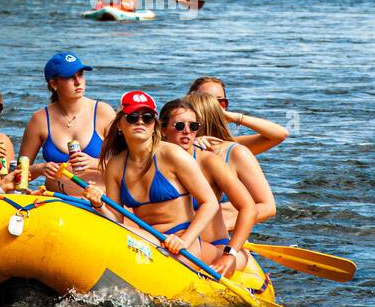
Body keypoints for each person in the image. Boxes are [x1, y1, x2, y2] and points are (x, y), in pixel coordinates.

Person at [78, 91, 222, 265]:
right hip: (148, 241)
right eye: (132, 117)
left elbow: (210, 202)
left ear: (154, 125)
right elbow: (116, 219)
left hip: (183, 244)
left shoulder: (172, 154)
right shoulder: (115, 166)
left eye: (147, 118)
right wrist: (98, 204)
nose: (140, 122)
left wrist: (184, 240)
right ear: (119, 125)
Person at [160, 98, 256, 277]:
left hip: (214, 248)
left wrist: (230, 255)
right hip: (174, 242)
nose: (187, 132)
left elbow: (248, 207)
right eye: (179, 126)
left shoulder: (209, 161)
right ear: (163, 129)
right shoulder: (155, 162)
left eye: (193, 126)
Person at [19, 53, 113, 196]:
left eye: (80, 75)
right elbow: (19, 175)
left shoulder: (103, 112)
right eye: (70, 77)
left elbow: (130, 163)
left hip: (98, 203)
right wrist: (40, 168)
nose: (78, 81)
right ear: (54, 84)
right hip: (57, 202)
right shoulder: (39, 120)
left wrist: (95, 163)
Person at [187, 92, 277, 226]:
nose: (183, 128)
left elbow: (267, 207)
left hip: (219, 235)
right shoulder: (173, 149)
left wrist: (212, 224)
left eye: (190, 123)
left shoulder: (236, 152)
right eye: (178, 123)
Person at [186, 76, 288, 155]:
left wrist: (234, 117)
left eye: (220, 102)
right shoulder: (176, 139)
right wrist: (192, 143)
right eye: (206, 101)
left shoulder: (230, 146)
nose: (214, 107)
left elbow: (280, 134)